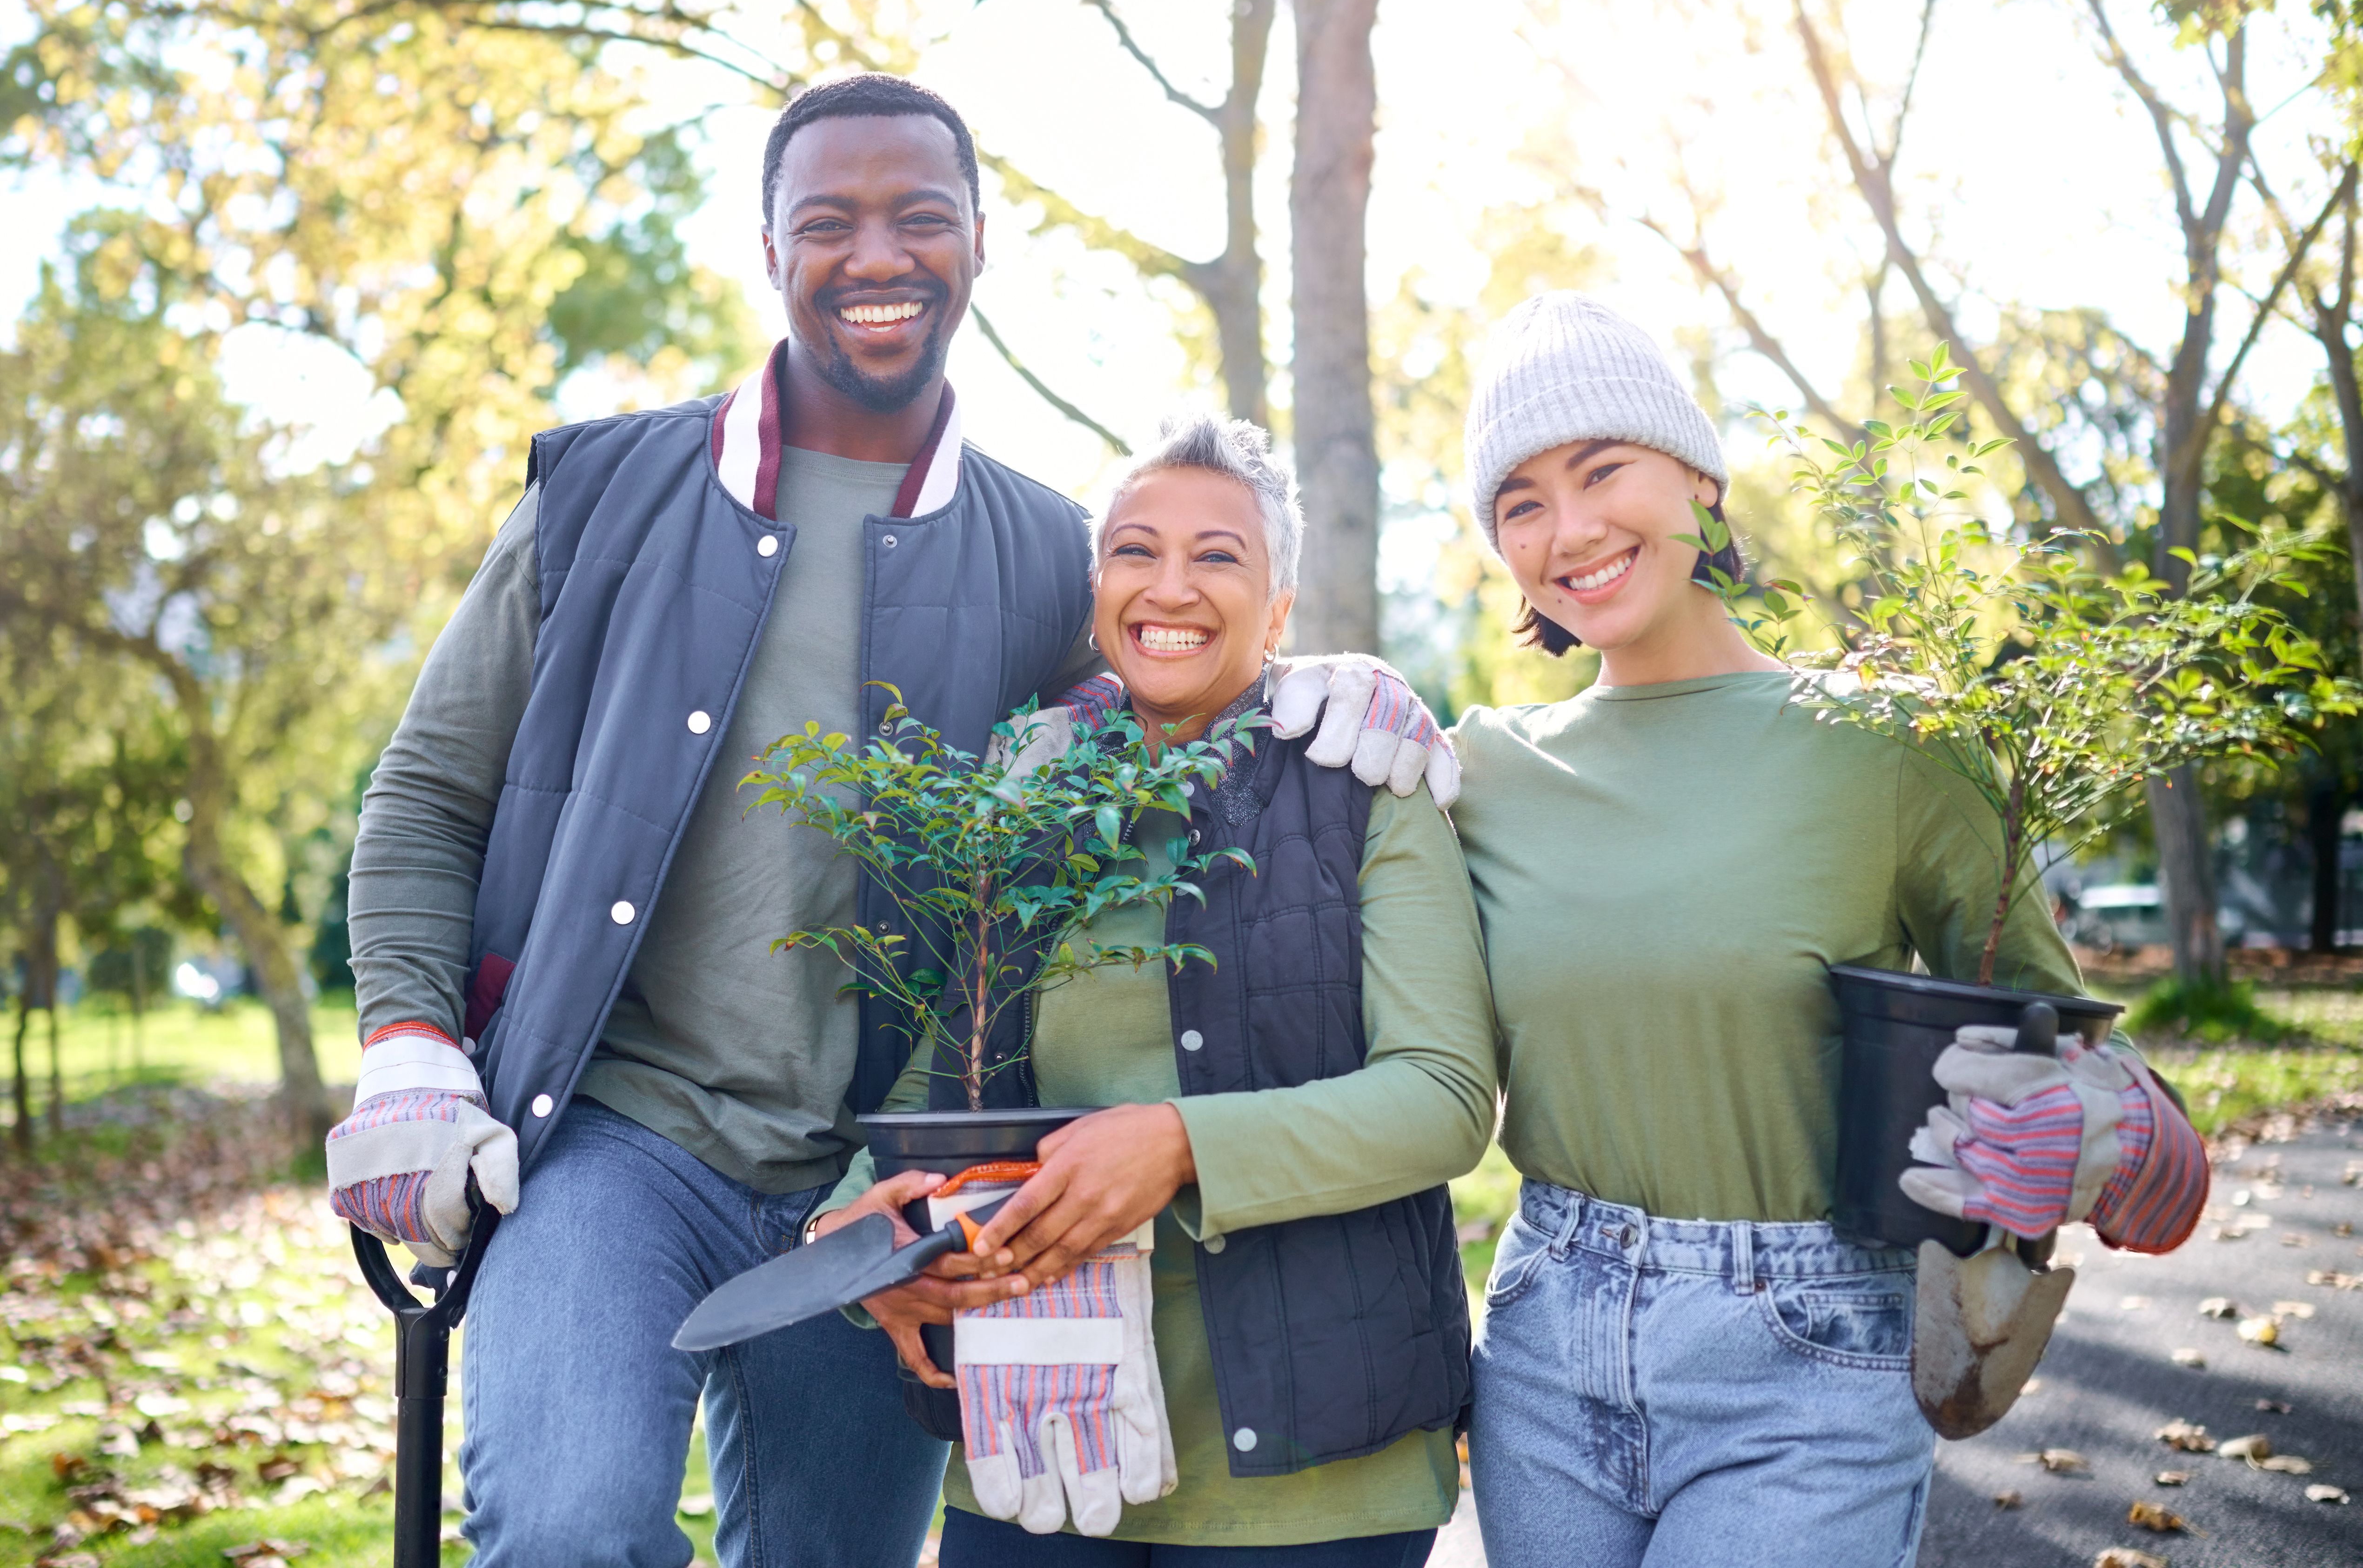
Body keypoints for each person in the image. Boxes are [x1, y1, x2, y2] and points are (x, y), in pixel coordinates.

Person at [321, 76, 1453, 1568]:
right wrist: (409, 1042)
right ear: (769, 247)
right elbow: (426, 791)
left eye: (921, 218)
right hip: (617, 1135)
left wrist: (1328, 684)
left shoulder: (1057, 547)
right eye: (828, 221)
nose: (877, 257)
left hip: (891, 1174)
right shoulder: (600, 497)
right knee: (573, 1530)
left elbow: (1166, 706)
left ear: (978, 243)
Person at [1443, 294, 2210, 1567]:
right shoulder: (1482, 768)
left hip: (1808, 1357)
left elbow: (2065, 1034)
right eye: (1520, 501)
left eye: (1601, 468)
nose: (1569, 528)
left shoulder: (1890, 744)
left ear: (1698, 478)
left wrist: (2117, 1131)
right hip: (1541, 1343)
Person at [814, 413, 1498, 1568]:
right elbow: (956, 1062)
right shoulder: (1026, 800)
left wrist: (1181, 1144)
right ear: (1098, 593)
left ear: (1278, 606)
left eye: (1217, 556)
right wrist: (854, 1236)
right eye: (1134, 550)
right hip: (1038, 1427)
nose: (1168, 585)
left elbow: (1442, 1099)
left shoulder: (1364, 787)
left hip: (1314, 1464)